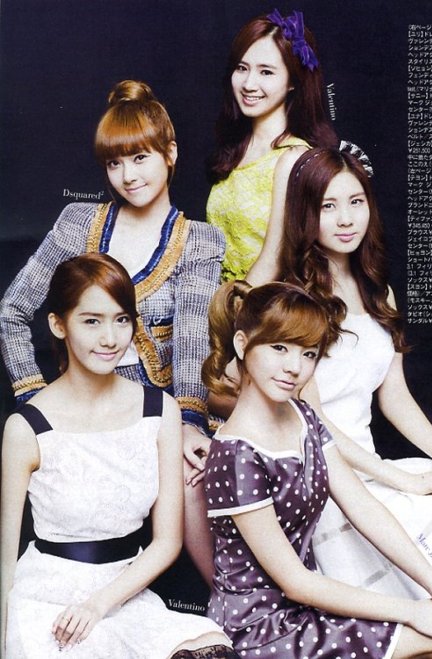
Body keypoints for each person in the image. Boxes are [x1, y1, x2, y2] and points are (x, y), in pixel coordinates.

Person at [201, 279, 432, 659]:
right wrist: (416, 612)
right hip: (260, 630)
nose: (294, 367)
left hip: (308, 606)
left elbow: (363, 506)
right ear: (242, 344)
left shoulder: (303, 416)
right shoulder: (235, 455)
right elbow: (295, 582)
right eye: (279, 348)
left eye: (309, 354)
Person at [0, 80, 222, 581]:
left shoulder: (199, 240)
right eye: (114, 163)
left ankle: (234, 608)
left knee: (193, 475)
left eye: (141, 158)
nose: (128, 176)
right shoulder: (79, 223)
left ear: (170, 153)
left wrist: (189, 420)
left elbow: (191, 340)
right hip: (76, 406)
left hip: (150, 413)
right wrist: (35, 398)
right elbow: (12, 310)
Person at [276, 146, 432, 620]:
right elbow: (313, 424)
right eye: (328, 206)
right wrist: (406, 480)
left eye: (356, 202)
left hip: (372, 469)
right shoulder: (294, 300)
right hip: (329, 483)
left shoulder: (378, 289)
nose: (346, 219)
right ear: (306, 213)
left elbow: (395, 398)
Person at [0, 253, 238, 658]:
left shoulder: (159, 410)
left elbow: (167, 542)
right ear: (58, 325)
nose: (110, 338)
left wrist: (99, 604)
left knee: (211, 650)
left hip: (125, 594)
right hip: (47, 602)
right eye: (91, 321)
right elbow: (5, 559)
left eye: (121, 319)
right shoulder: (27, 427)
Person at [206, 9, 338, 284]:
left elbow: (274, 260)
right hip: (221, 298)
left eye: (266, 72)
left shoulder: (295, 158)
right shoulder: (236, 150)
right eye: (242, 68)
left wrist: (234, 306)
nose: (249, 84)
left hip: (262, 303)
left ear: (292, 82)